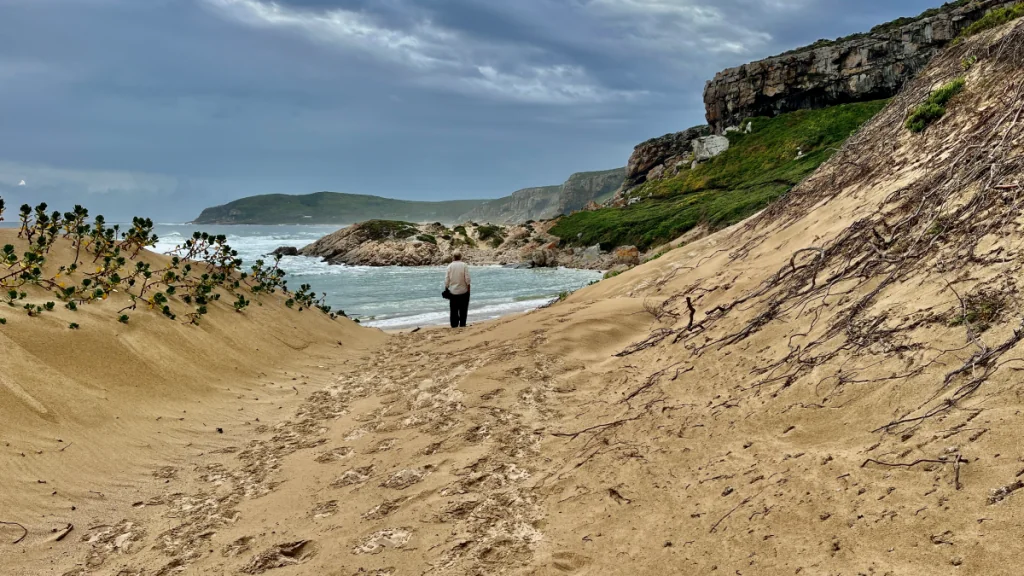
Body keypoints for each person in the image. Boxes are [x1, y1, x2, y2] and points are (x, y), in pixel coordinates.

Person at [445, 251, 471, 328]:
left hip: (453, 292)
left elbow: (447, 279)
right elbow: (467, 279)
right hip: (464, 291)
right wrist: (468, 289)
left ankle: (454, 324)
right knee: (463, 309)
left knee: (453, 310)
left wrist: (446, 288)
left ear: (453, 257)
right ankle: (462, 324)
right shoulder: (464, 265)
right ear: (460, 257)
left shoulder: (449, 266)